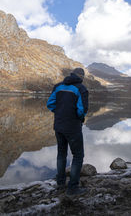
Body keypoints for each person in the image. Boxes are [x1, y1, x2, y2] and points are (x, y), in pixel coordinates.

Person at [46, 67, 89, 196]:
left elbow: (50, 104)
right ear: (81, 76)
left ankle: (60, 183)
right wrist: (79, 118)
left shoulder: (58, 86)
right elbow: (82, 110)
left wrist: (60, 113)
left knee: (61, 154)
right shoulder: (81, 89)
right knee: (78, 156)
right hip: (73, 127)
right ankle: (73, 188)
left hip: (58, 125)